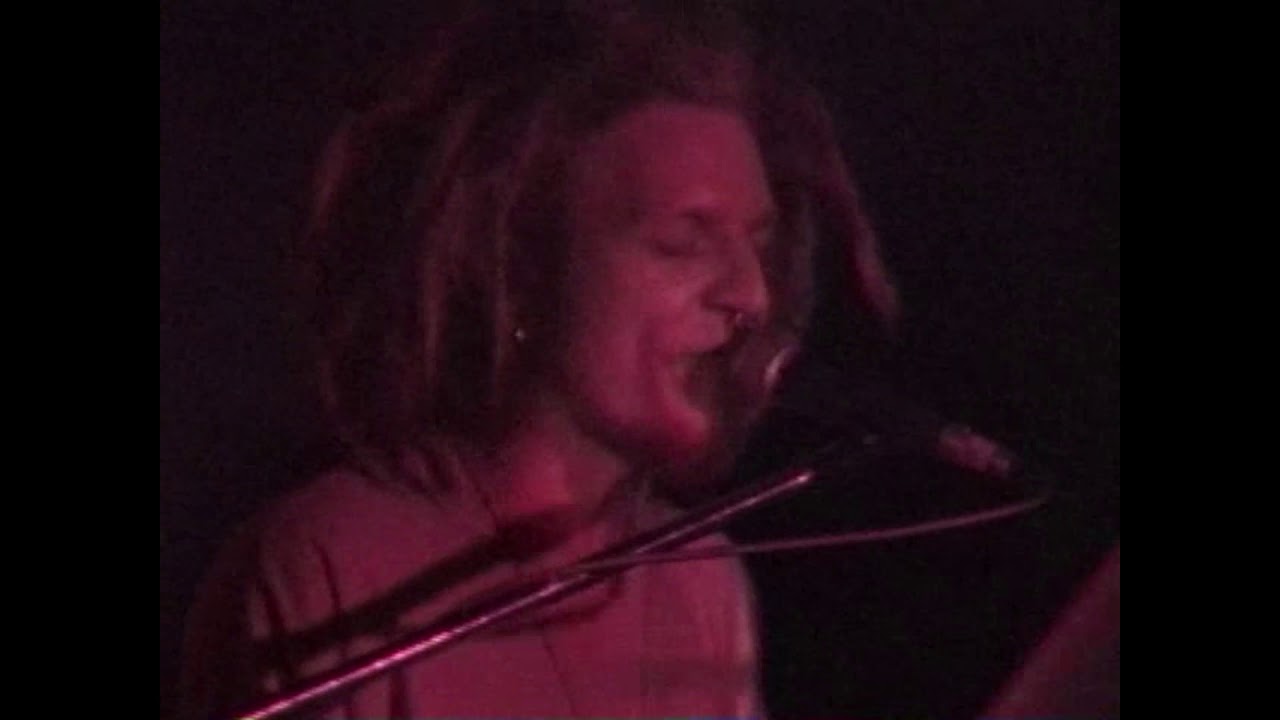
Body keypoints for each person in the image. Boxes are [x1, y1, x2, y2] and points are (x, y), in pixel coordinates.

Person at [178, 1, 898, 717]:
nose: (751, 295)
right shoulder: (333, 561)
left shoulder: (702, 581)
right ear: (519, 269)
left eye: (759, 245)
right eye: (682, 244)